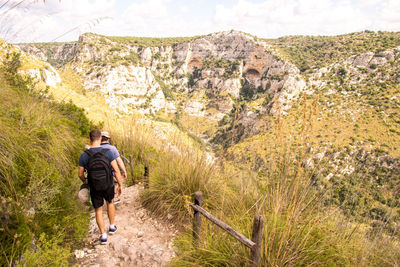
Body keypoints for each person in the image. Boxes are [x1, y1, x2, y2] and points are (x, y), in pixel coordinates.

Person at [78, 129, 123, 245]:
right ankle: (112, 227)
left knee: (98, 209)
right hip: (108, 183)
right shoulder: (108, 152)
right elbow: (116, 170)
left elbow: (80, 173)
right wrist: (120, 185)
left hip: (94, 186)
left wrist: (85, 181)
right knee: (110, 203)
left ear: (90, 139)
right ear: (100, 139)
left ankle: (103, 235)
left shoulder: (84, 155)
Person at [100, 131, 127, 204]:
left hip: (97, 174)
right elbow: (119, 161)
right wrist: (124, 171)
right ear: (108, 139)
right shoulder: (112, 148)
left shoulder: (95, 148)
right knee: (114, 181)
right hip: (109, 174)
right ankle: (114, 198)